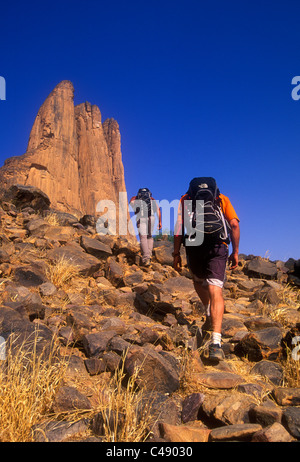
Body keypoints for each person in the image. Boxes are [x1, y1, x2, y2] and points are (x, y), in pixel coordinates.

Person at [173, 177, 240, 362]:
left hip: (195, 244)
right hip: (218, 245)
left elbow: (179, 227)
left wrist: (176, 253)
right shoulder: (221, 199)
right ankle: (216, 343)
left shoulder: (185, 199)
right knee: (215, 289)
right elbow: (234, 224)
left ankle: (209, 311)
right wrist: (235, 252)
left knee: (197, 281)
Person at [130, 188, 162, 266]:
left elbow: (131, 204)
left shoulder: (134, 198)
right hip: (151, 218)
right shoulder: (152, 199)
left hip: (141, 218)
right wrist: (160, 221)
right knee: (149, 237)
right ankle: (149, 255)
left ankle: (146, 258)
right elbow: (158, 210)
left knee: (143, 237)